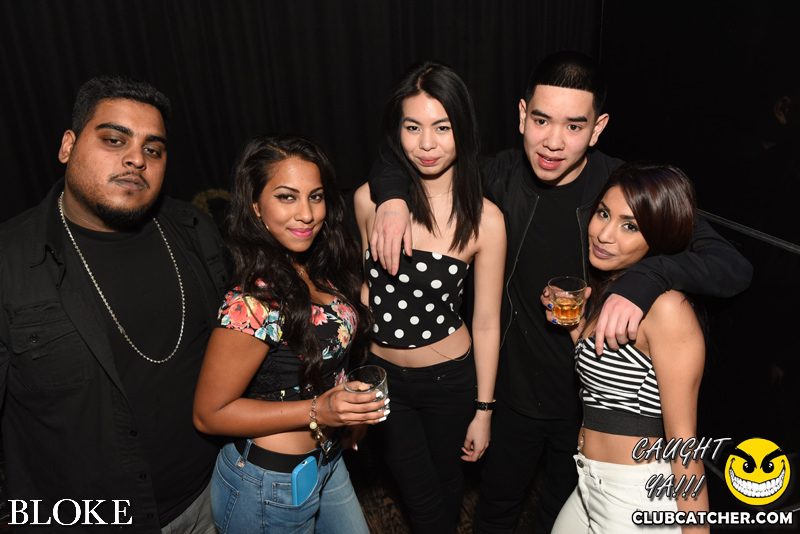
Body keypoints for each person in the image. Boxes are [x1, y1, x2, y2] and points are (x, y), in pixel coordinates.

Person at [368, 51, 753, 533]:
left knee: (557, 515)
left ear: (598, 128)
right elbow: (410, 156)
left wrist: (647, 278)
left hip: (589, 404)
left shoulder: (624, 190)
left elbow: (732, 265)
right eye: (542, 120)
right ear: (522, 115)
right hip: (511, 396)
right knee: (495, 509)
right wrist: (392, 197)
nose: (553, 141)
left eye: (574, 126)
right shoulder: (498, 176)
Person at [0, 75, 228, 532]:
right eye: (114, 139)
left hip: (216, 496)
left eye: (153, 149)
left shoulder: (195, 230)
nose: (136, 159)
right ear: (68, 146)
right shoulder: (11, 261)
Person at [193, 134, 382, 533]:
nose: (307, 214)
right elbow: (208, 415)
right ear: (255, 206)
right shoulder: (252, 302)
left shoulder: (315, 266)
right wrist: (319, 411)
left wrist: (348, 411)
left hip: (328, 459)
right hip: (267, 484)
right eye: (286, 197)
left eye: (316, 197)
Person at [354, 61, 506, 533]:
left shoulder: (485, 219)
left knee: (447, 485)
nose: (426, 144)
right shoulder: (368, 201)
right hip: (385, 382)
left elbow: (486, 321)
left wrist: (484, 410)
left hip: (450, 382)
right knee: (420, 499)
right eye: (412, 127)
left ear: (463, 130)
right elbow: (366, 291)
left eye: (442, 127)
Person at [549, 163, 709, 533]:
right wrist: (573, 323)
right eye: (604, 213)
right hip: (588, 483)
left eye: (630, 226)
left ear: (659, 238)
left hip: (636, 496)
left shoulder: (667, 309)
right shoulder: (618, 293)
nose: (604, 235)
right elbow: (605, 378)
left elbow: (683, 443)